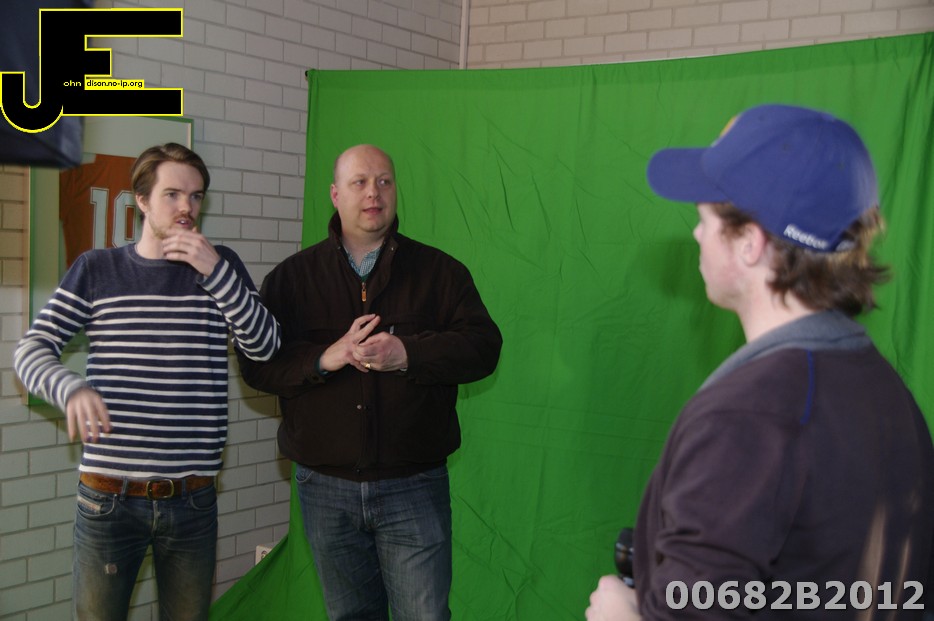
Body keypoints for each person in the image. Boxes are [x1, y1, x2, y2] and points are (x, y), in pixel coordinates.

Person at [586, 104, 934, 620]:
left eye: (705, 219)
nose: (696, 235)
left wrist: (622, 615)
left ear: (749, 243)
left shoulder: (748, 416)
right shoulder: (886, 391)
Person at [14, 142, 281, 621]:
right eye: (172, 194)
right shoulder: (98, 269)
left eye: (195, 196)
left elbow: (266, 348)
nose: (186, 208)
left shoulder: (222, 266)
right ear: (142, 200)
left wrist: (216, 273)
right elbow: (30, 351)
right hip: (108, 500)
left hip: (193, 499)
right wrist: (70, 388)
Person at [237, 144, 502, 621]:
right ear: (335, 195)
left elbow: (484, 347)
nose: (374, 193)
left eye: (384, 181)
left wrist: (408, 353)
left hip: (414, 485)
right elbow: (258, 366)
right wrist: (324, 358)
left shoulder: (440, 273)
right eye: (359, 182)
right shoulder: (292, 279)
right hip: (324, 488)